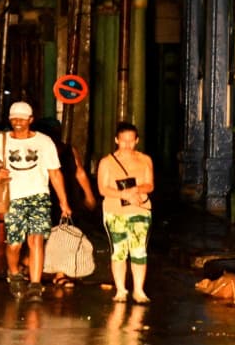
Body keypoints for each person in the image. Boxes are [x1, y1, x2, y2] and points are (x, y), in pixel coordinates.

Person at [0, 101, 73, 298]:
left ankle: (35, 285)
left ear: (30, 119)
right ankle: (14, 272)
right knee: (14, 244)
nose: (17, 122)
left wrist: (64, 202)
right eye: (14, 118)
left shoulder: (44, 142)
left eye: (22, 118)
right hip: (13, 197)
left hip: (39, 196)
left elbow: (55, 173)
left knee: (36, 239)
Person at [31, 116, 97, 289]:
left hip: (57, 196)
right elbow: (80, 173)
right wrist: (89, 195)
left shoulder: (53, 149)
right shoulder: (65, 149)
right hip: (60, 195)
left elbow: (80, 172)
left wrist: (89, 196)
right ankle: (53, 271)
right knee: (60, 234)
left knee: (59, 235)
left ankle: (57, 271)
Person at [95, 121, 155, 303]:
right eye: (123, 141)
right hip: (115, 211)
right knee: (119, 251)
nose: (127, 145)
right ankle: (121, 290)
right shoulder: (106, 162)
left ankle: (139, 290)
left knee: (139, 250)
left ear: (136, 140)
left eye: (131, 141)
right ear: (116, 140)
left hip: (140, 209)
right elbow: (103, 189)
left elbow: (150, 184)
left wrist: (134, 190)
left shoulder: (145, 160)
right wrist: (123, 194)